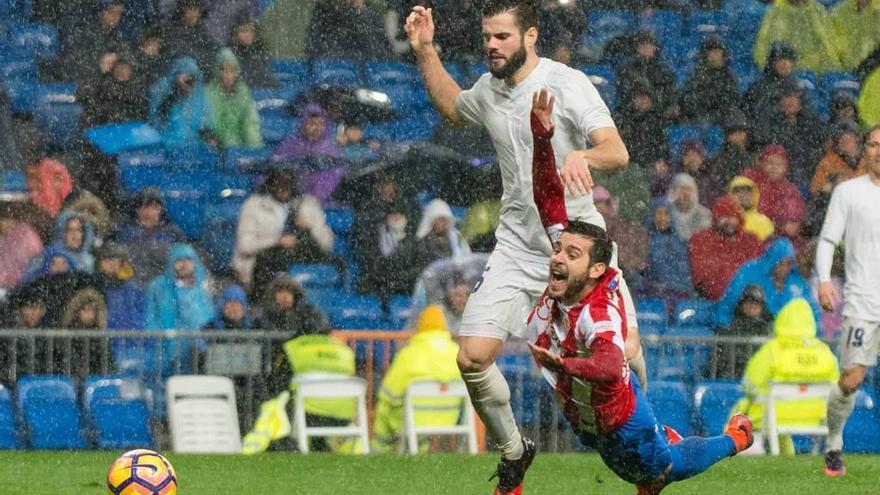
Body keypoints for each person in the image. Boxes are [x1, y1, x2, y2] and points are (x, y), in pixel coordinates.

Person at [404, 4, 642, 493]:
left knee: (629, 354)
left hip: (579, 247)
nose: (492, 45)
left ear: (529, 36)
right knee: (471, 357)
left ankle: (648, 444)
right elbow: (453, 106)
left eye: (502, 37)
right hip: (517, 248)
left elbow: (616, 152)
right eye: (487, 37)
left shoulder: (568, 83)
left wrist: (582, 154)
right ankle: (514, 451)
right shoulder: (489, 91)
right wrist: (426, 50)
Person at [526, 218, 753, 495]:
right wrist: (541, 171)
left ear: (596, 269)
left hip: (622, 422)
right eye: (557, 249)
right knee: (640, 473)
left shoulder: (597, 313)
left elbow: (609, 366)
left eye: (571, 254)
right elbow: (549, 199)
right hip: (589, 414)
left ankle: (736, 438)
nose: (558, 258)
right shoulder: (569, 289)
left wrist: (565, 365)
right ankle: (659, 445)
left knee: (667, 469)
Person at [816, 125, 880, 476]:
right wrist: (825, 280)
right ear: (865, 151)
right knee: (851, 379)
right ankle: (835, 443)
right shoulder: (849, 192)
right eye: (873, 144)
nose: (879, 150)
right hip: (862, 302)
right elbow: (827, 240)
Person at [731, 298, 839, 454]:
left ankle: (735, 446)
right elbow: (837, 387)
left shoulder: (772, 350)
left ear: (783, 319)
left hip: (772, 415)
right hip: (815, 416)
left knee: (742, 406)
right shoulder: (824, 352)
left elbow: (749, 384)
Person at [372, 305, 462, 452]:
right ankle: (419, 448)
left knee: (384, 405)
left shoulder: (408, 354)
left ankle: (379, 451)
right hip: (448, 419)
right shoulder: (456, 352)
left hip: (413, 419)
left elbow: (389, 394)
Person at [232, 168, 334, 293]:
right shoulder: (254, 205)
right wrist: (277, 241)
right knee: (271, 262)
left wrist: (309, 227)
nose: (282, 188)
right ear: (270, 184)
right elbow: (245, 246)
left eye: (286, 183)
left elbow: (327, 243)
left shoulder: (307, 204)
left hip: (300, 255)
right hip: (264, 260)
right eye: (278, 183)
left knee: (334, 262)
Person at [714, 238, 820, 327]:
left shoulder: (796, 280)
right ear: (772, 261)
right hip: (751, 333)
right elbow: (729, 301)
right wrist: (724, 328)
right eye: (780, 263)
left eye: (789, 263)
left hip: (790, 340)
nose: (785, 268)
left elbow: (812, 312)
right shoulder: (750, 272)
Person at [143, 243, 213, 374]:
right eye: (179, 260)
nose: (184, 264)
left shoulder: (203, 290)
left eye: (188, 259)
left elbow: (209, 318)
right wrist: (163, 337)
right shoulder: (158, 287)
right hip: (167, 353)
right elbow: (150, 317)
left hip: (199, 353)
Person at [753, 83, 825, 190]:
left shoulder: (810, 125)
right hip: (780, 178)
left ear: (800, 103)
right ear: (779, 102)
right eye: (787, 97)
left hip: (807, 177)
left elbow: (816, 152)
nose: (791, 101)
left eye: (795, 97)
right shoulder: (769, 125)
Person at [689, 197, 762, 300]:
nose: (729, 221)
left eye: (733, 216)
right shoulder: (702, 241)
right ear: (716, 218)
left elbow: (758, 271)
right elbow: (701, 275)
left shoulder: (751, 241)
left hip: (747, 301)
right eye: (724, 217)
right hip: (713, 301)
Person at [112, 188, 187, 284]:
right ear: (137, 210)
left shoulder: (173, 233)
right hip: (131, 285)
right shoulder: (124, 232)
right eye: (145, 207)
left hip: (165, 286)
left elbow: (185, 258)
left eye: (155, 207)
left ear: (161, 210)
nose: (149, 212)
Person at [753, 0, 842, 74]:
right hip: (782, 73)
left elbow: (829, 47)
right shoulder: (775, 11)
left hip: (815, 73)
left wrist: (833, 71)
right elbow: (763, 46)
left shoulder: (817, 10)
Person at [149, 56, 213, 148]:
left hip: (194, 147)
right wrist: (176, 90)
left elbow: (206, 122)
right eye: (186, 76)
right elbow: (158, 117)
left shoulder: (199, 94)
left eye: (192, 78)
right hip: (167, 146)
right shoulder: (163, 88)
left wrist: (208, 137)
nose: (189, 81)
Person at [205, 48, 263, 149]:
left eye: (231, 70)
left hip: (239, 148)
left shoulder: (243, 93)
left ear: (236, 72)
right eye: (223, 70)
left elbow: (250, 123)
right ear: (217, 71)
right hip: (217, 148)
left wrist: (254, 150)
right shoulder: (209, 93)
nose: (227, 75)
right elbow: (211, 124)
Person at [678, 36, 742, 125]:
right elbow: (688, 103)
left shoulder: (729, 79)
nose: (715, 56)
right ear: (705, 55)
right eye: (712, 52)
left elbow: (732, 104)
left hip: (721, 124)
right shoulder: (695, 78)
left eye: (718, 52)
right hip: (698, 123)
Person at [714, 285, 773, 378]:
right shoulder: (729, 331)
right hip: (735, 379)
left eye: (757, 303)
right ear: (742, 305)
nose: (752, 306)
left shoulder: (769, 332)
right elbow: (721, 364)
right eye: (749, 301)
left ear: (762, 307)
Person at [593, 186, 648, 283]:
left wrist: (628, 265)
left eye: (604, 204)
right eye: (597, 204)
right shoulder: (593, 229)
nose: (600, 208)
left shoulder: (624, 228)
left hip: (627, 271)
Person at [78, 54, 148, 129]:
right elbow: (85, 95)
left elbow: (139, 107)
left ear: (131, 70)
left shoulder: (137, 86)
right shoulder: (104, 83)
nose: (122, 71)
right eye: (119, 68)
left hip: (131, 126)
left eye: (125, 68)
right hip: (105, 126)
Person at [641, 199, 692, 301]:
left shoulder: (679, 241)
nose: (662, 218)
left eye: (666, 214)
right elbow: (639, 270)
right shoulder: (643, 240)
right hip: (649, 296)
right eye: (658, 213)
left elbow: (683, 271)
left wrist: (676, 287)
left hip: (675, 296)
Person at [306, 0, 390, 61]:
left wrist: (360, 13)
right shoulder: (322, 19)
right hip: (331, 75)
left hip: (364, 78)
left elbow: (379, 55)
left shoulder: (371, 20)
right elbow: (318, 54)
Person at [742, 145, 806, 225]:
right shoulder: (749, 179)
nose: (774, 167)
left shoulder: (791, 192)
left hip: (774, 234)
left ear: (786, 167)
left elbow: (792, 227)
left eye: (779, 164)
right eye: (770, 162)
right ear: (762, 163)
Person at [744, 42, 799, 123]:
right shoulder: (759, 87)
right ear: (772, 62)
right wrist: (781, 109)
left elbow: (809, 117)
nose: (785, 64)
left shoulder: (798, 87)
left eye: (789, 60)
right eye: (781, 59)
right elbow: (757, 115)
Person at [162, 0, 218, 74]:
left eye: (195, 10)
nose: (193, 14)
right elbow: (172, 57)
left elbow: (210, 59)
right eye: (189, 9)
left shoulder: (204, 34)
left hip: (200, 78)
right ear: (182, 12)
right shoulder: (171, 32)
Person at [811, 122, 865, 195]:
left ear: (857, 138)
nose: (844, 142)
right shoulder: (829, 162)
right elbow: (815, 188)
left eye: (848, 138)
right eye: (840, 139)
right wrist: (834, 185)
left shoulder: (870, 158)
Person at [0, 203, 44, 292]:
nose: (9, 224)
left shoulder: (27, 236)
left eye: (12, 220)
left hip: (24, 287)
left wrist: (10, 280)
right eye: (4, 220)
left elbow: (38, 265)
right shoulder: (3, 237)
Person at [228, 14, 279, 89]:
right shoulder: (230, 55)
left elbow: (267, 78)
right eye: (244, 31)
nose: (248, 35)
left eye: (250, 30)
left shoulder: (258, 51)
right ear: (235, 36)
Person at [828, 0, 880, 71]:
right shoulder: (840, 12)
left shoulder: (876, 12)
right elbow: (831, 45)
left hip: (872, 66)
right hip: (849, 68)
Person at [707, 110, 753, 186]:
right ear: (727, 137)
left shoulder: (751, 156)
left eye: (741, 133)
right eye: (734, 134)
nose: (738, 137)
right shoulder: (721, 160)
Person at [727, 176, 775, 242]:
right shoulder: (724, 220)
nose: (742, 195)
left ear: (754, 195)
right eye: (737, 192)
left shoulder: (764, 222)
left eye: (747, 192)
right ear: (730, 195)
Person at [666, 174, 711, 242]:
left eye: (688, 189)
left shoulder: (704, 214)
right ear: (673, 191)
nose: (685, 193)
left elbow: (706, 240)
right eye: (681, 189)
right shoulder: (665, 213)